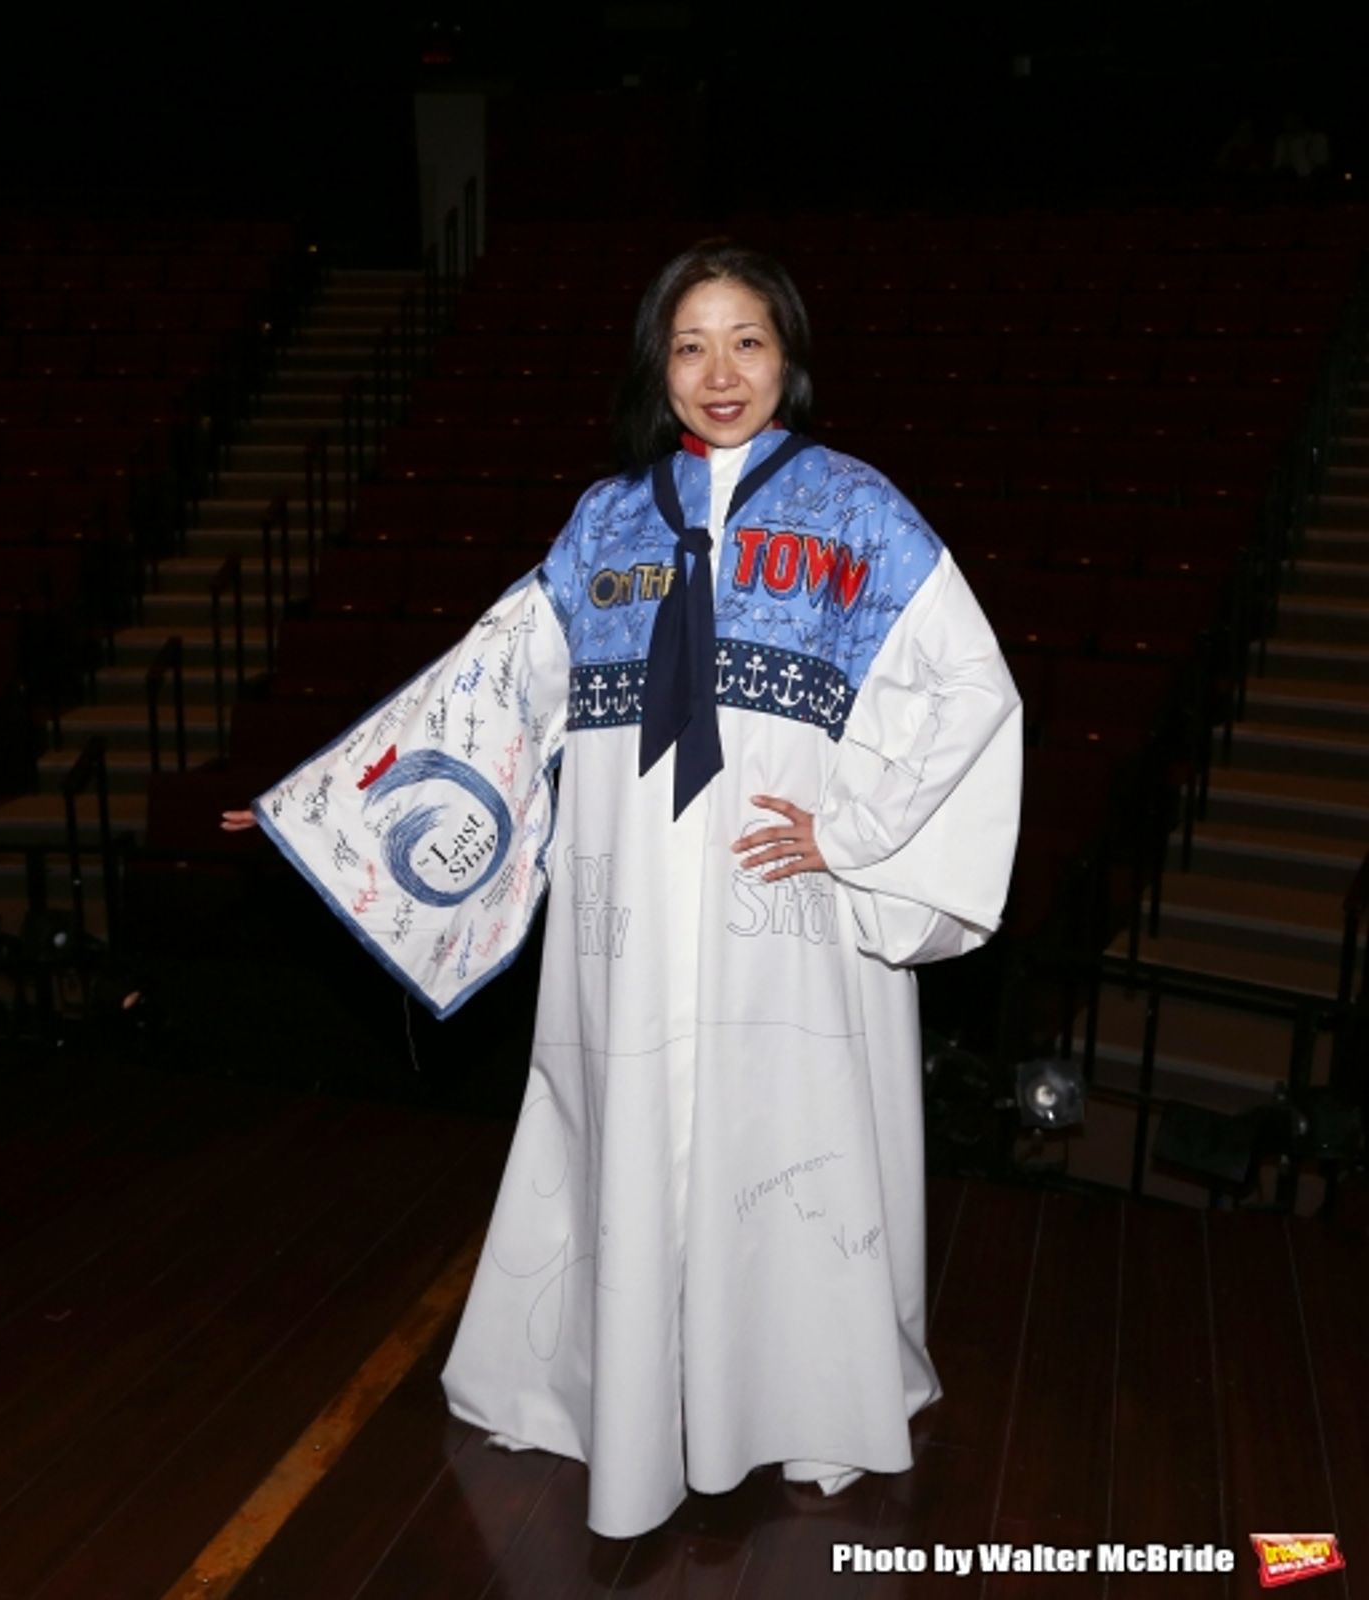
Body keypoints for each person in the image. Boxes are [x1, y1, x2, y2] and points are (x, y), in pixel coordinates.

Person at [222, 241, 1022, 1538]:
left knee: (787, 1146)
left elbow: (972, 692)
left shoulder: (862, 514)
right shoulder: (605, 520)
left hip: (787, 922)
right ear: (659, 364)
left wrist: (857, 832)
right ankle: (621, 1390)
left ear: (789, 357)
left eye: (747, 341)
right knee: (626, 1119)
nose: (720, 372)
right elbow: (500, 690)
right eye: (691, 344)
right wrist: (338, 803)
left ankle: (797, 1395)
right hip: (630, 919)